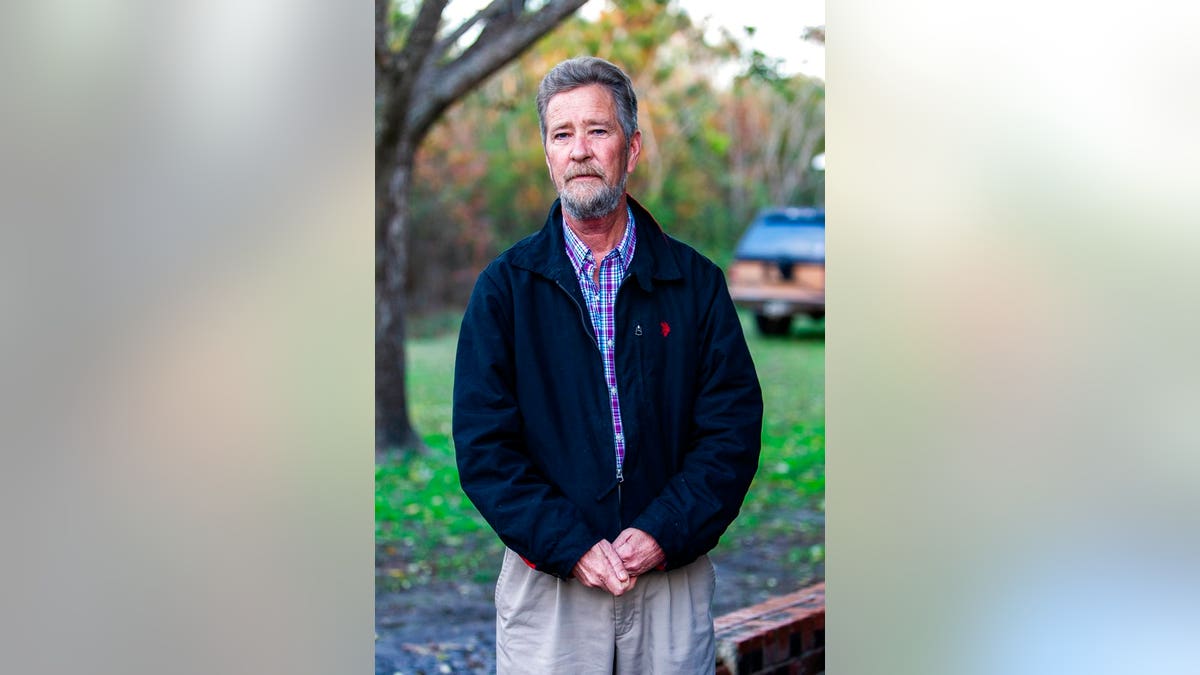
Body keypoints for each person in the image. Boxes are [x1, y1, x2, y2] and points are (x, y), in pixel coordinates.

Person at [453, 56, 764, 674]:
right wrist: (570, 546)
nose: (580, 151)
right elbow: (485, 448)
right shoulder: (504, 290)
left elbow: (731, 430)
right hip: (552, 587)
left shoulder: (694, 283)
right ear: (547, 154)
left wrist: (661, 533)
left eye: (598, 130)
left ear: (633, 147)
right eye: (561, 134)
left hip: (669, 581)